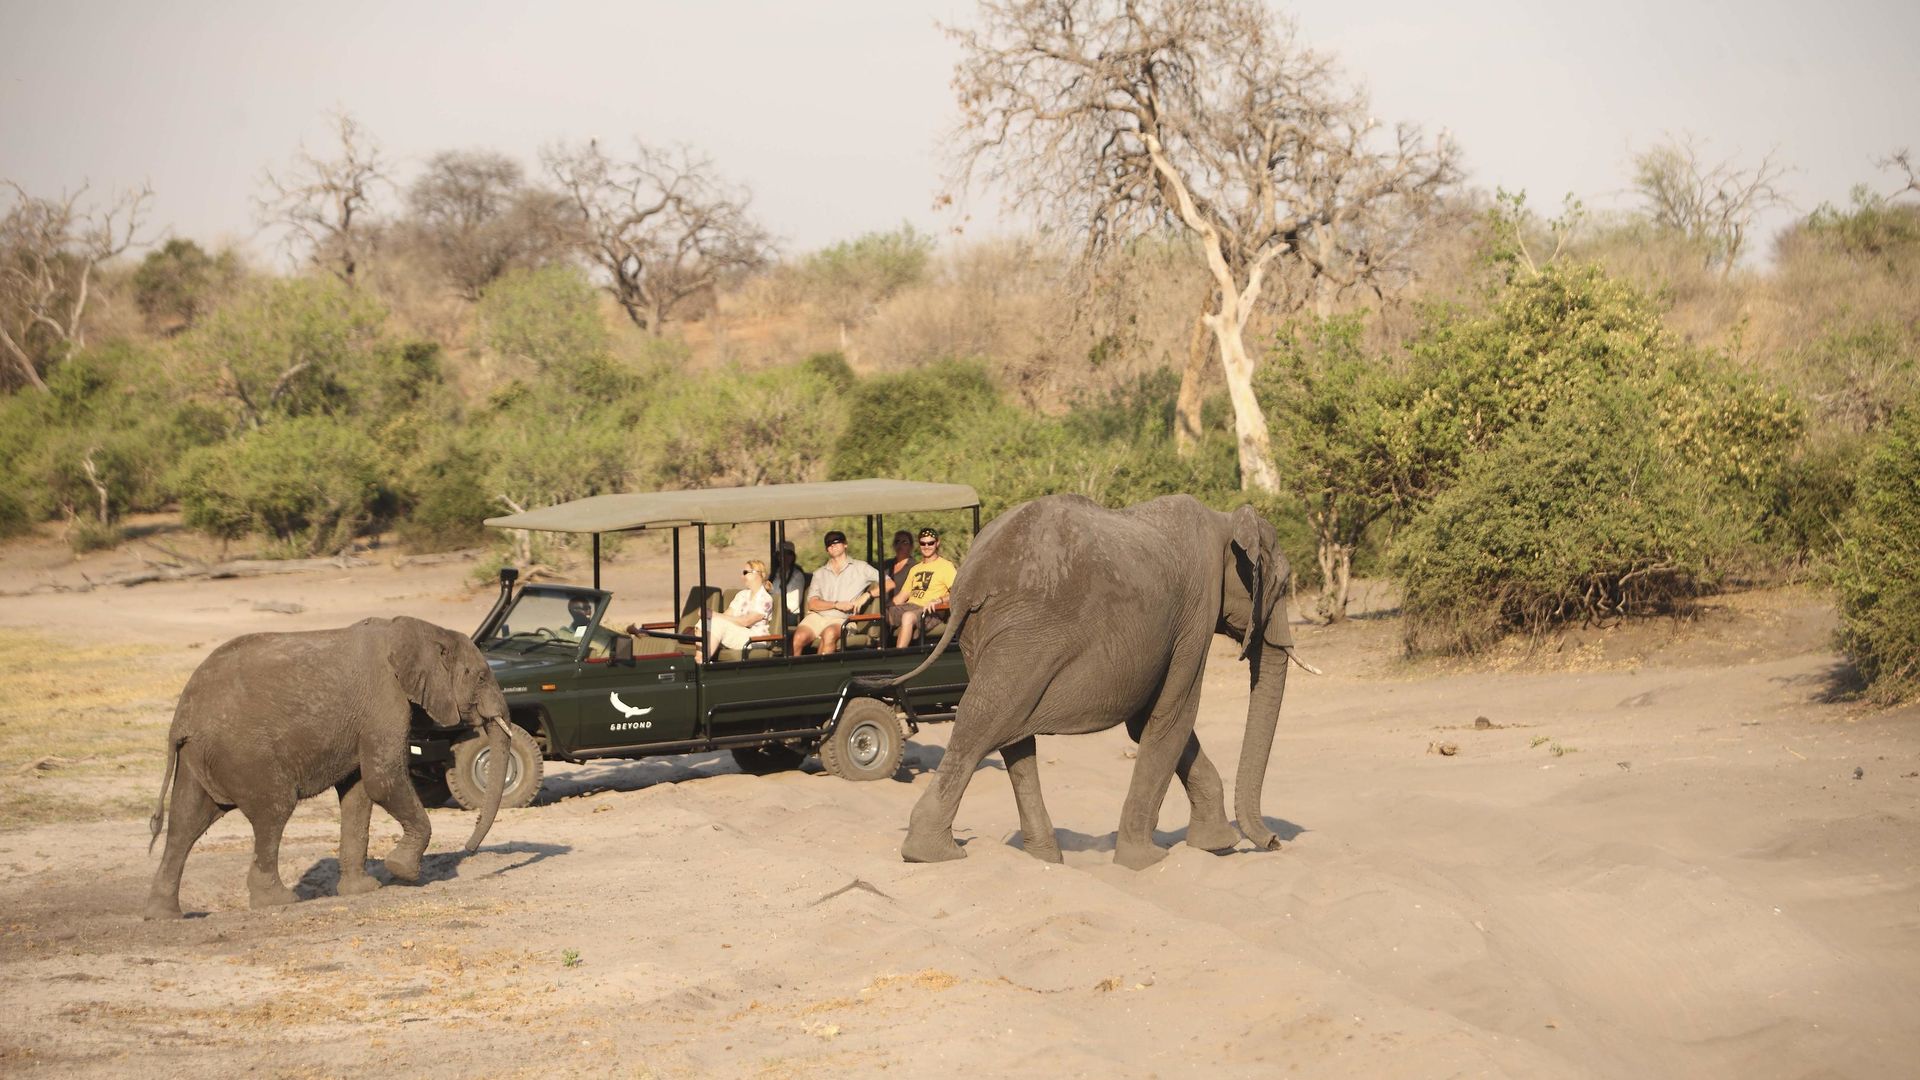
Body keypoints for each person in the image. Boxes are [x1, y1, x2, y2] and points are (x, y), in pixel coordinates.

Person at [792, 530, 881, 655]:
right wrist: (836, 604)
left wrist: (867, 595)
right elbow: (812, 604)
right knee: (798, 637)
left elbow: (888, 583)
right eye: (829, 543)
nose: (833, 544)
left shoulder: (861, 567)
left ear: (845, 544)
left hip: (842, 619)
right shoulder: (819, 573)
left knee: (829, 633)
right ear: (826, 549)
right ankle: (796, 672)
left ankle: (819, 672)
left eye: (837, 540)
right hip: (817, 616)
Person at [890, 527, 957, 647]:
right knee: (885, 614)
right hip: (911, 606)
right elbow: (902, 596)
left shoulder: (946, 566)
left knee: (908, 617)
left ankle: (898, 657)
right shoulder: (915, 568)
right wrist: (886, 607)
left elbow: (957, 592)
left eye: (930, 543)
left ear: (937, 543)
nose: (927, 546)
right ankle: (877, 651)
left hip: (932, 610)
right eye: (923, 543)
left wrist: (939, 600)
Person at [697, 560, 774, 663]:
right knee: (705, 622)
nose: (742, 577)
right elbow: (726, 615)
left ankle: (703, 661)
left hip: (755, 638)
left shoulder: (765, 599)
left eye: (746, 572)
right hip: (739, 633)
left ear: (759, 574)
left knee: (717, 622)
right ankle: (699, 659)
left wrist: (714, 615)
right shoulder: (741, 595)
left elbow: (746, 621)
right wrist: (709, 615)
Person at [769, 540, 807, 628]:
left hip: (789, 615)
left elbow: (793, 604)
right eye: (780, 554)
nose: (784, 557)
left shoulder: (797, 576)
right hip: (771, 610)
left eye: (787, 554)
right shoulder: (774, 575)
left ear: (792, 556)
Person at [882, 529, 916, 601]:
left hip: (901, 607)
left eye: (904, 542)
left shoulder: (915, 567)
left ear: (911, 546)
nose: (900, 545)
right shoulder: (886, 564)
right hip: (879, 605)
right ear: (894, 545)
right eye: (897, 542)